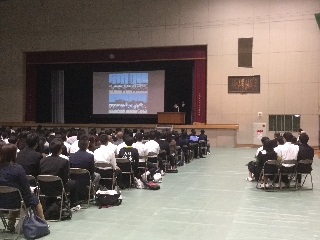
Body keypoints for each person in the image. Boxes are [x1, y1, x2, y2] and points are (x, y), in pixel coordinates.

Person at [0, 144, 45, 232]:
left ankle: (11, 224)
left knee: (14, 196)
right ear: (13, 154)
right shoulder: (18, 169)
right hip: (16, 201)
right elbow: (25, 187)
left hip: (1, 202)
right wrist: (30, 191)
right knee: (35, 201)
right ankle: (44, 224)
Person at [40, 139, 79, 207]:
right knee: (73, 183)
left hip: (44, 188)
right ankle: (73, 205)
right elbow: (65, 179)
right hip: (58, 188)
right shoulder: (64, 161)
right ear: (60, 150)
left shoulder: (42, 161)